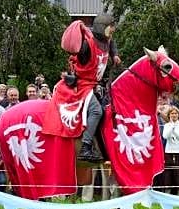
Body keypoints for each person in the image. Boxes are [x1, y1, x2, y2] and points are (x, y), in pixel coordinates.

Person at [42, 13, 121, 162]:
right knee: (96, 111)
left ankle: (103, 148)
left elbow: (111, 44)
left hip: (95, 84)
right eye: (111, 27)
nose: (113, 30)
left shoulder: (106, 41)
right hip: (83, 84)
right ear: (103, 27)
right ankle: (85, 147)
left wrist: (114, 55)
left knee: (108, 111)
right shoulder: (88, 45)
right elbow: (75, 53)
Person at [162, 106, 179, 196]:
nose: (174, 115)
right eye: (172, 113)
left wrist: (175, 131)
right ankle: (167, 192)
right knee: (168, 172)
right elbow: (165, 136)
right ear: (169, 115)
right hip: (168, 151)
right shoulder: (167, 125)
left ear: (178, 115)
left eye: (175, 113)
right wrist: (171, 126)